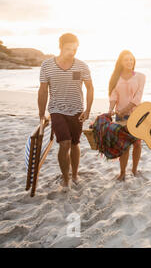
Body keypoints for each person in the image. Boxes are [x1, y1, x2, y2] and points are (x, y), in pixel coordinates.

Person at [38, 33, 94, 189]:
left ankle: (75, 174)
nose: (71, 52)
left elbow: (90, 87)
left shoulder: (81, 66)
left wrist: (88, 109)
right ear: (60, 47)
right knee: (65, 143)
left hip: (77, 110)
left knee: (75, 143)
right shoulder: (47, 65)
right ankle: (65, 178)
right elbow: (43, 90)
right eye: (68, 48)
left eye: (74, 49)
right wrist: (41, 114)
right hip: (57, 110)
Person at [108, 50, 146, 181]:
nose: (129, 62)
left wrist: (125, 109)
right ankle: (123, 172)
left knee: (137, 143)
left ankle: (134, 170)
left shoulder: (141, 76)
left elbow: (138, 97)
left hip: (137, 115)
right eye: (126, 60)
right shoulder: (115, 77)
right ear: (121, 62)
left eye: (131, 59)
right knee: (123, 146)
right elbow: (113, 96)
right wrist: (110, 110)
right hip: (120, 117)